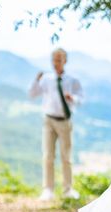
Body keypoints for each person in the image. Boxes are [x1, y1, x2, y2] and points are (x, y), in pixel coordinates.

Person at [29, 48, 84, 201]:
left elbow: (81, 98)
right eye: (54, 60)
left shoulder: (72, 80)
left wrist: (72, 98)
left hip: (64, 121)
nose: (56, 63)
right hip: (49, 120)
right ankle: (48, 190)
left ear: (65, 61)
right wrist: (36, 80)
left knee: (66, 156)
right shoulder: (46, 79)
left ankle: (68, 189)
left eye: (59, 60)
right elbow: (32, 94)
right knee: (48, 155)